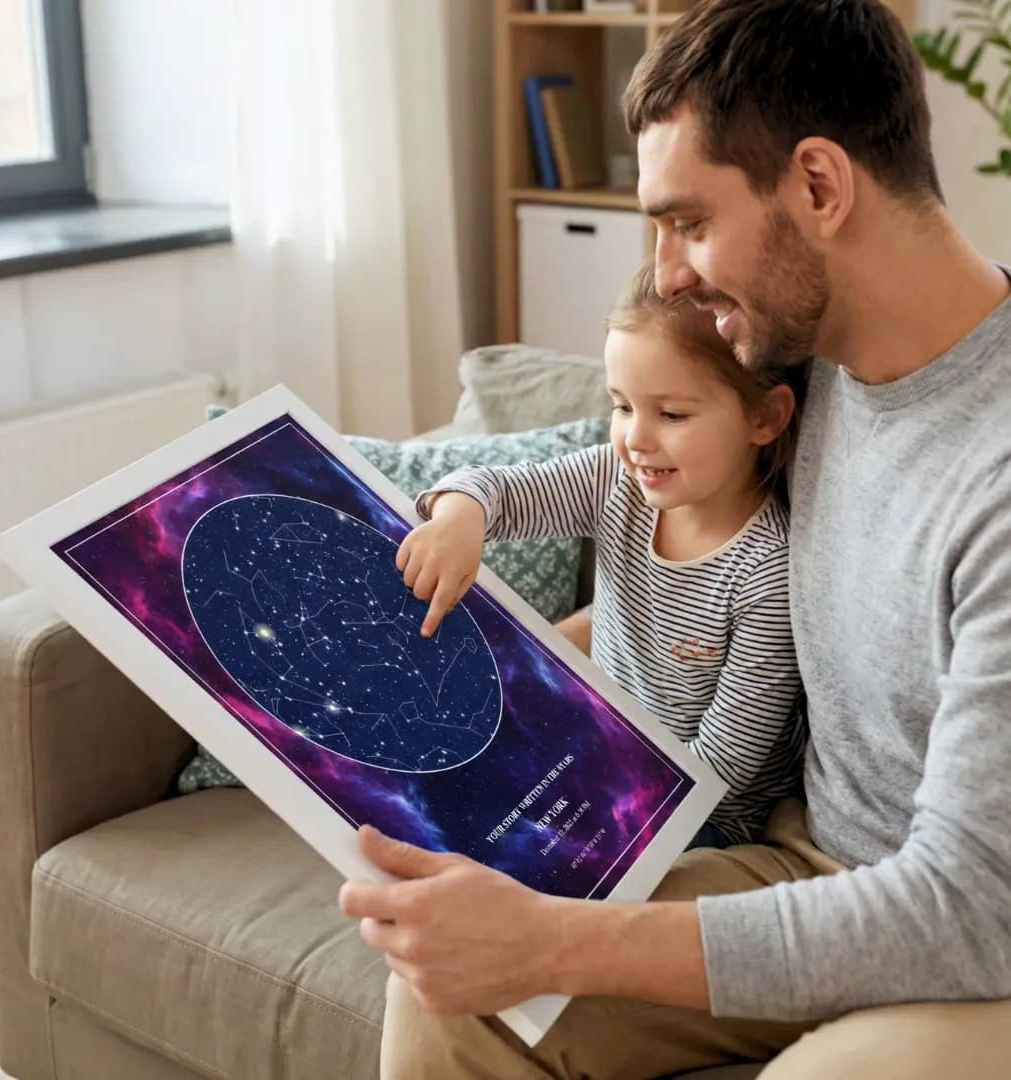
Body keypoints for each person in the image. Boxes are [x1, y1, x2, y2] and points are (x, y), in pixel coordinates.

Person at [339, 0, 1011, 1075]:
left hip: (967, 936)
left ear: (820, 186)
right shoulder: (805, 367)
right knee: (455, 996)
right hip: (806, 855)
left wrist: (552, 939)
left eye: (688, 222)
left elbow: (971, 908)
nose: (669, 275)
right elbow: (662, 531)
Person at [398, 270, 806, 850]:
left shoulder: (767, 572)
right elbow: (499, 490)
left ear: (763, 418)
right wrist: (459, 516)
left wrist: (592, 795)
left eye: (672, 414)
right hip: (606, 762)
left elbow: (721, 766)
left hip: (701, 815)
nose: (636, 438)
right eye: (622, 406)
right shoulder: (615, 480)